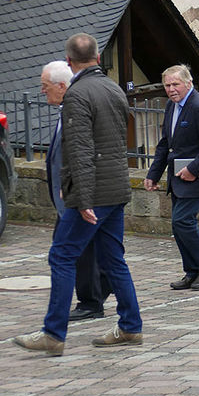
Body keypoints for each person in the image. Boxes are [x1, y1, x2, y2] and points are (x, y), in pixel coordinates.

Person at [14, 33, 143, 355]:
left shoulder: (77, 95)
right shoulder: (113, 89)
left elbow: (82, 151)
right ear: (98, 58)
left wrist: (83, 200)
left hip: (93, 193)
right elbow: (113, 145)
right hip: (117, 188)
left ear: (69, 62)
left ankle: (53, 333)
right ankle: (130, 326)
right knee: (114, 260)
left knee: (61, 256)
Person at [41, 60, 112, 321]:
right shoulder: (67, 108)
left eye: (45, 86)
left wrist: (77, 190)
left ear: (62, 86)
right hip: (74, 193)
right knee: (93, 247)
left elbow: (84, 153)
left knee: (70, 250)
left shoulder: (76, 108)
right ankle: (101, 288)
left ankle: (90, 302)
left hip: (79, 193)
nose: (42, 91)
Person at [144, 65, 199, 291]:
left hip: (198, 176)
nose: (171, 89)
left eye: (175, 84)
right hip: (177, 176)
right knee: (178, 225)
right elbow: (165, 144)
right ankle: (192, 271)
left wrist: (193, 169)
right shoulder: (172, 106)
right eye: (167, 85)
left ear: (188, 83)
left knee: (183, 221)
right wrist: (153, 174)